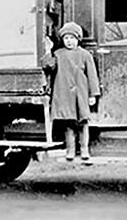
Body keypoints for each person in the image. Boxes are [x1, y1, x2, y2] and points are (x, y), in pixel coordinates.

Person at [41, 22, 100, 160]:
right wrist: (48, 50)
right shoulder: (58, 54)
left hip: (81, 94)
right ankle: (70, 150)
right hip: (64, 95)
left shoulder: (85, 55)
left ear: (78, 39)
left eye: (72, 38)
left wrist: (93, 94)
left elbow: (92, 76)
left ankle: (84, 150)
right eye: (66, 38)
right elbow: (47, 65)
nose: (69, 41)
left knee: (83, 123)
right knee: (68, 124)